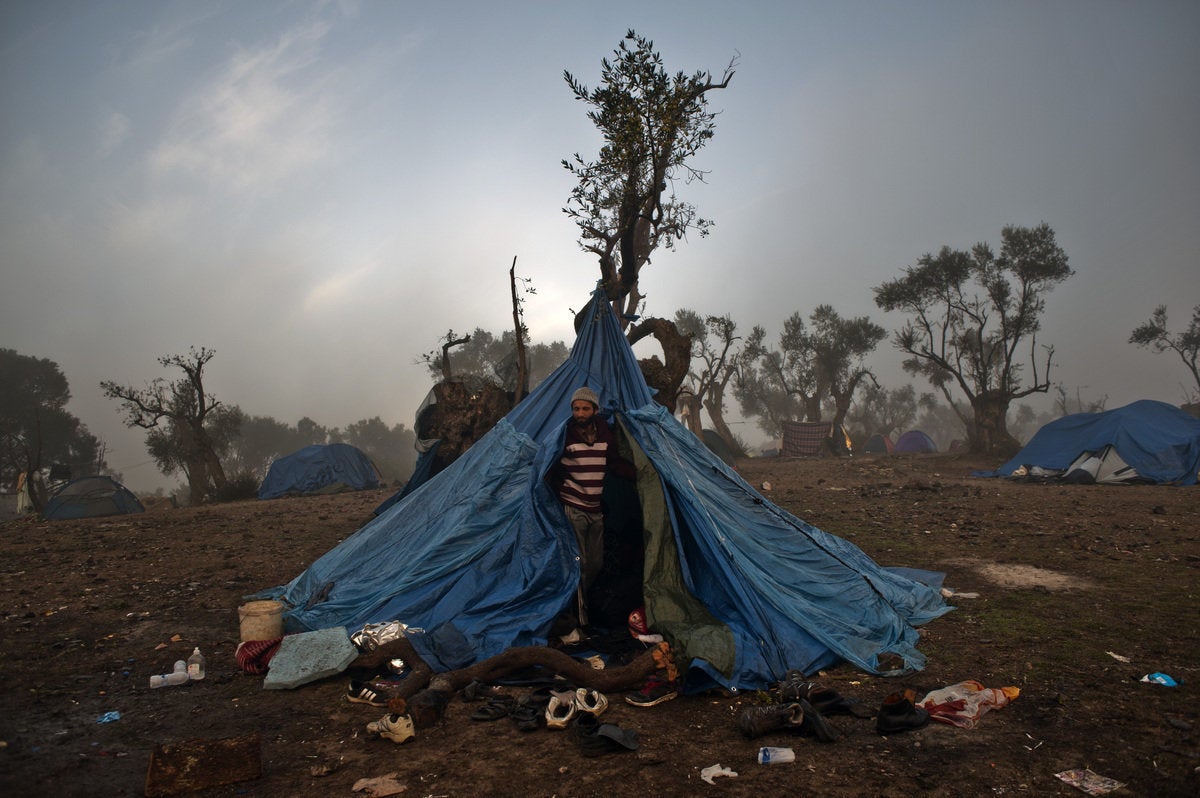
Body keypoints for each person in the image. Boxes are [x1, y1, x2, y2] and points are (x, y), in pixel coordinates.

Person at [552, 386, 635, 641]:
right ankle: (579, 622)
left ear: (595, 410)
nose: (580, 413)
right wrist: (559, 491)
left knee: (595, 564)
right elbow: (551, 466)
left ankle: (584, 611)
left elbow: (614, 464)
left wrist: (640, 475)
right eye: (576, 409)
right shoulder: (566, 435)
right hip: (573, 507)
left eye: (585, 408)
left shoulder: (604, 435)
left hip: (595, 510)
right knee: (579, 565)